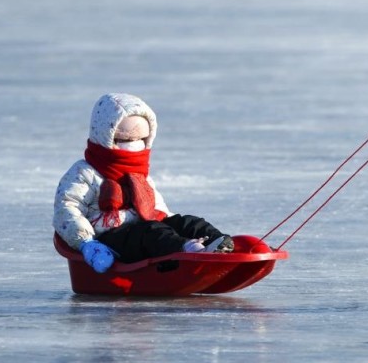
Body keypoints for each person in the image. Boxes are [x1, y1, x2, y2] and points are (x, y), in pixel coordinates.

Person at [54, 93, 233, 274]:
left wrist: (175, 224)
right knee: (152, 232)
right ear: (107, 137)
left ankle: (218, 243)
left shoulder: (139, 172)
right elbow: (66, 208)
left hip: (144, 227)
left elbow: (157, 208)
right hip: (109, 239)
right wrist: (86, 242)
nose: (134, 146)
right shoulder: (86, 173)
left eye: (140, 139)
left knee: (185, 222)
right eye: (126, 140)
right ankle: (185, 250)